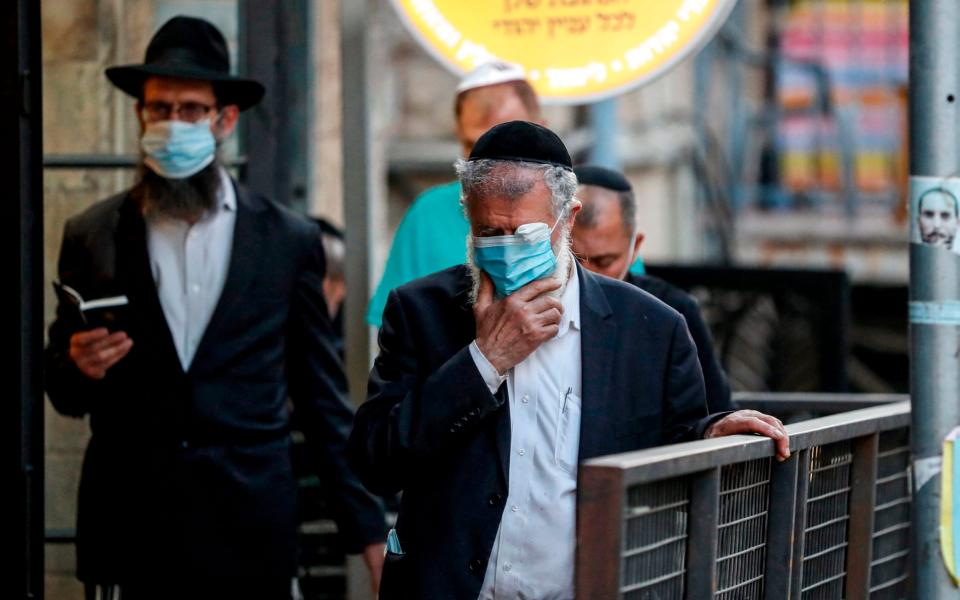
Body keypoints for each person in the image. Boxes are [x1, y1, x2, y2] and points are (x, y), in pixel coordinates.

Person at [348, 121, 790, 600]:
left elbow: (674, 443)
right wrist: (483, 362)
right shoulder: (421, 311)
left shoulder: (650, 327)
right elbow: (377, 461)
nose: (506, 247)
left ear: (569, 218)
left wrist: (712, 433)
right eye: (488, 232)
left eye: (524, 232)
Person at [44, 16, 384, 599]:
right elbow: (64, 392)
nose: (172, 125)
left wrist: (373, 537)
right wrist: (77, 365)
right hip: (134, 533)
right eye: (159, 109)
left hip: (250, 533)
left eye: (190, 110)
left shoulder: (287, 241)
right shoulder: (92, 234)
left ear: (224, 119)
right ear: (140, 116)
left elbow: (323, 401)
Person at [365, 61, 540, 327]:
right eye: (474, 144)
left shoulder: (583, 209)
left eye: (506, 140)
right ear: (459, 136)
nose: (489, 160)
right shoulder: (428, 216)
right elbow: (396, 336)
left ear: (542, 130)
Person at [570, 164, 735, 413]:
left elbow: (715, 412)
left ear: (634, 247)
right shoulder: (533, 311)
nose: (590, 276)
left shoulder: (672, 311)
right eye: (575, 260)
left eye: (605, 262)